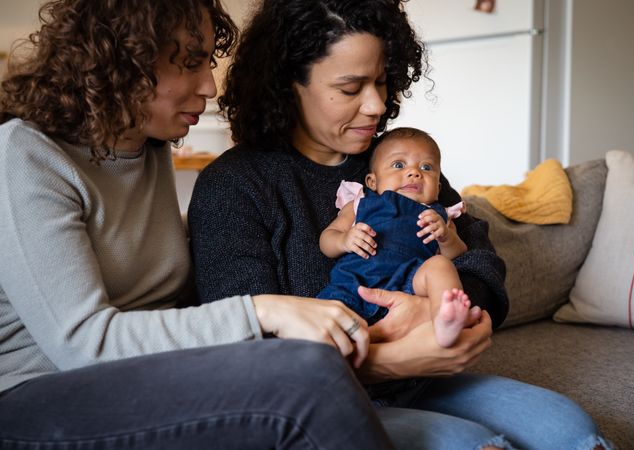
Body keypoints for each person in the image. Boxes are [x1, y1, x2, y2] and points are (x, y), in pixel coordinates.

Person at [188, 1, 613, 449]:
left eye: (381, 80)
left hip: (429, 381)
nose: (376, 105)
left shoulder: (401, 165)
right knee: (471, 443)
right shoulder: (234, 187)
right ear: (287, 85)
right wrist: (393, 357)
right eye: (351, 88)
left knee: (573, 429)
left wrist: (439, 313)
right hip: (318, 400)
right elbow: (247, 347)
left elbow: (482, 262)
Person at [0, 1, 396, 448]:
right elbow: (83, 344)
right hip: (34, 397)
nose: (209, 85)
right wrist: (264, 309)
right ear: (120, 60)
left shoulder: (145, 146)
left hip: (146, 374)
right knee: (304, 379)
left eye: (207, 61)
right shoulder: (25, 154)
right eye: (190, 62)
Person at [318, 127, 481, 348]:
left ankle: (446, 318)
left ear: (439, 187)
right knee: (322, 329)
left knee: (440, 266)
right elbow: (327, 240)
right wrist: (344, 240)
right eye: (399, 165)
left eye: (426, 167)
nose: (415, 173)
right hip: (354, 284)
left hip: (409, 283)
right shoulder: (360, 203)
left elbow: (458, 254)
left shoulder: (439, 215)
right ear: (372, 182)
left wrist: (445, 238)